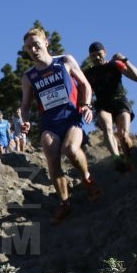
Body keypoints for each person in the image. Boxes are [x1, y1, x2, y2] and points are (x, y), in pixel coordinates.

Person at [19, 27, 102, 225]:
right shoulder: (28, 76)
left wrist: (87, 105)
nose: (33, 50)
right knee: (50, 152)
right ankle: (64, 203)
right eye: (29, 48)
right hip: (50, 123)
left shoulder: (64, 61)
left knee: (71, 149)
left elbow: (85, 85)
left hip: (72, 117)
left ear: (46, 43)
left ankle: (88, 180)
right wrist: (25, 121)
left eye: (36, 45)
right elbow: (25, 105)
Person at [83, 41, 137, 172]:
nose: (97, 58)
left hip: (119, 101)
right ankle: (116, 159)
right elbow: (85, 90)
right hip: (103, 104)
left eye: (99, 54)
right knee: (107, 129)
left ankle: (129, 160)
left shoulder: (114, 65)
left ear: (105, 52)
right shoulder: (89, 73)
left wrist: (125, 60)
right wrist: (86, 106)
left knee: (123, 135)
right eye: (93, 56)